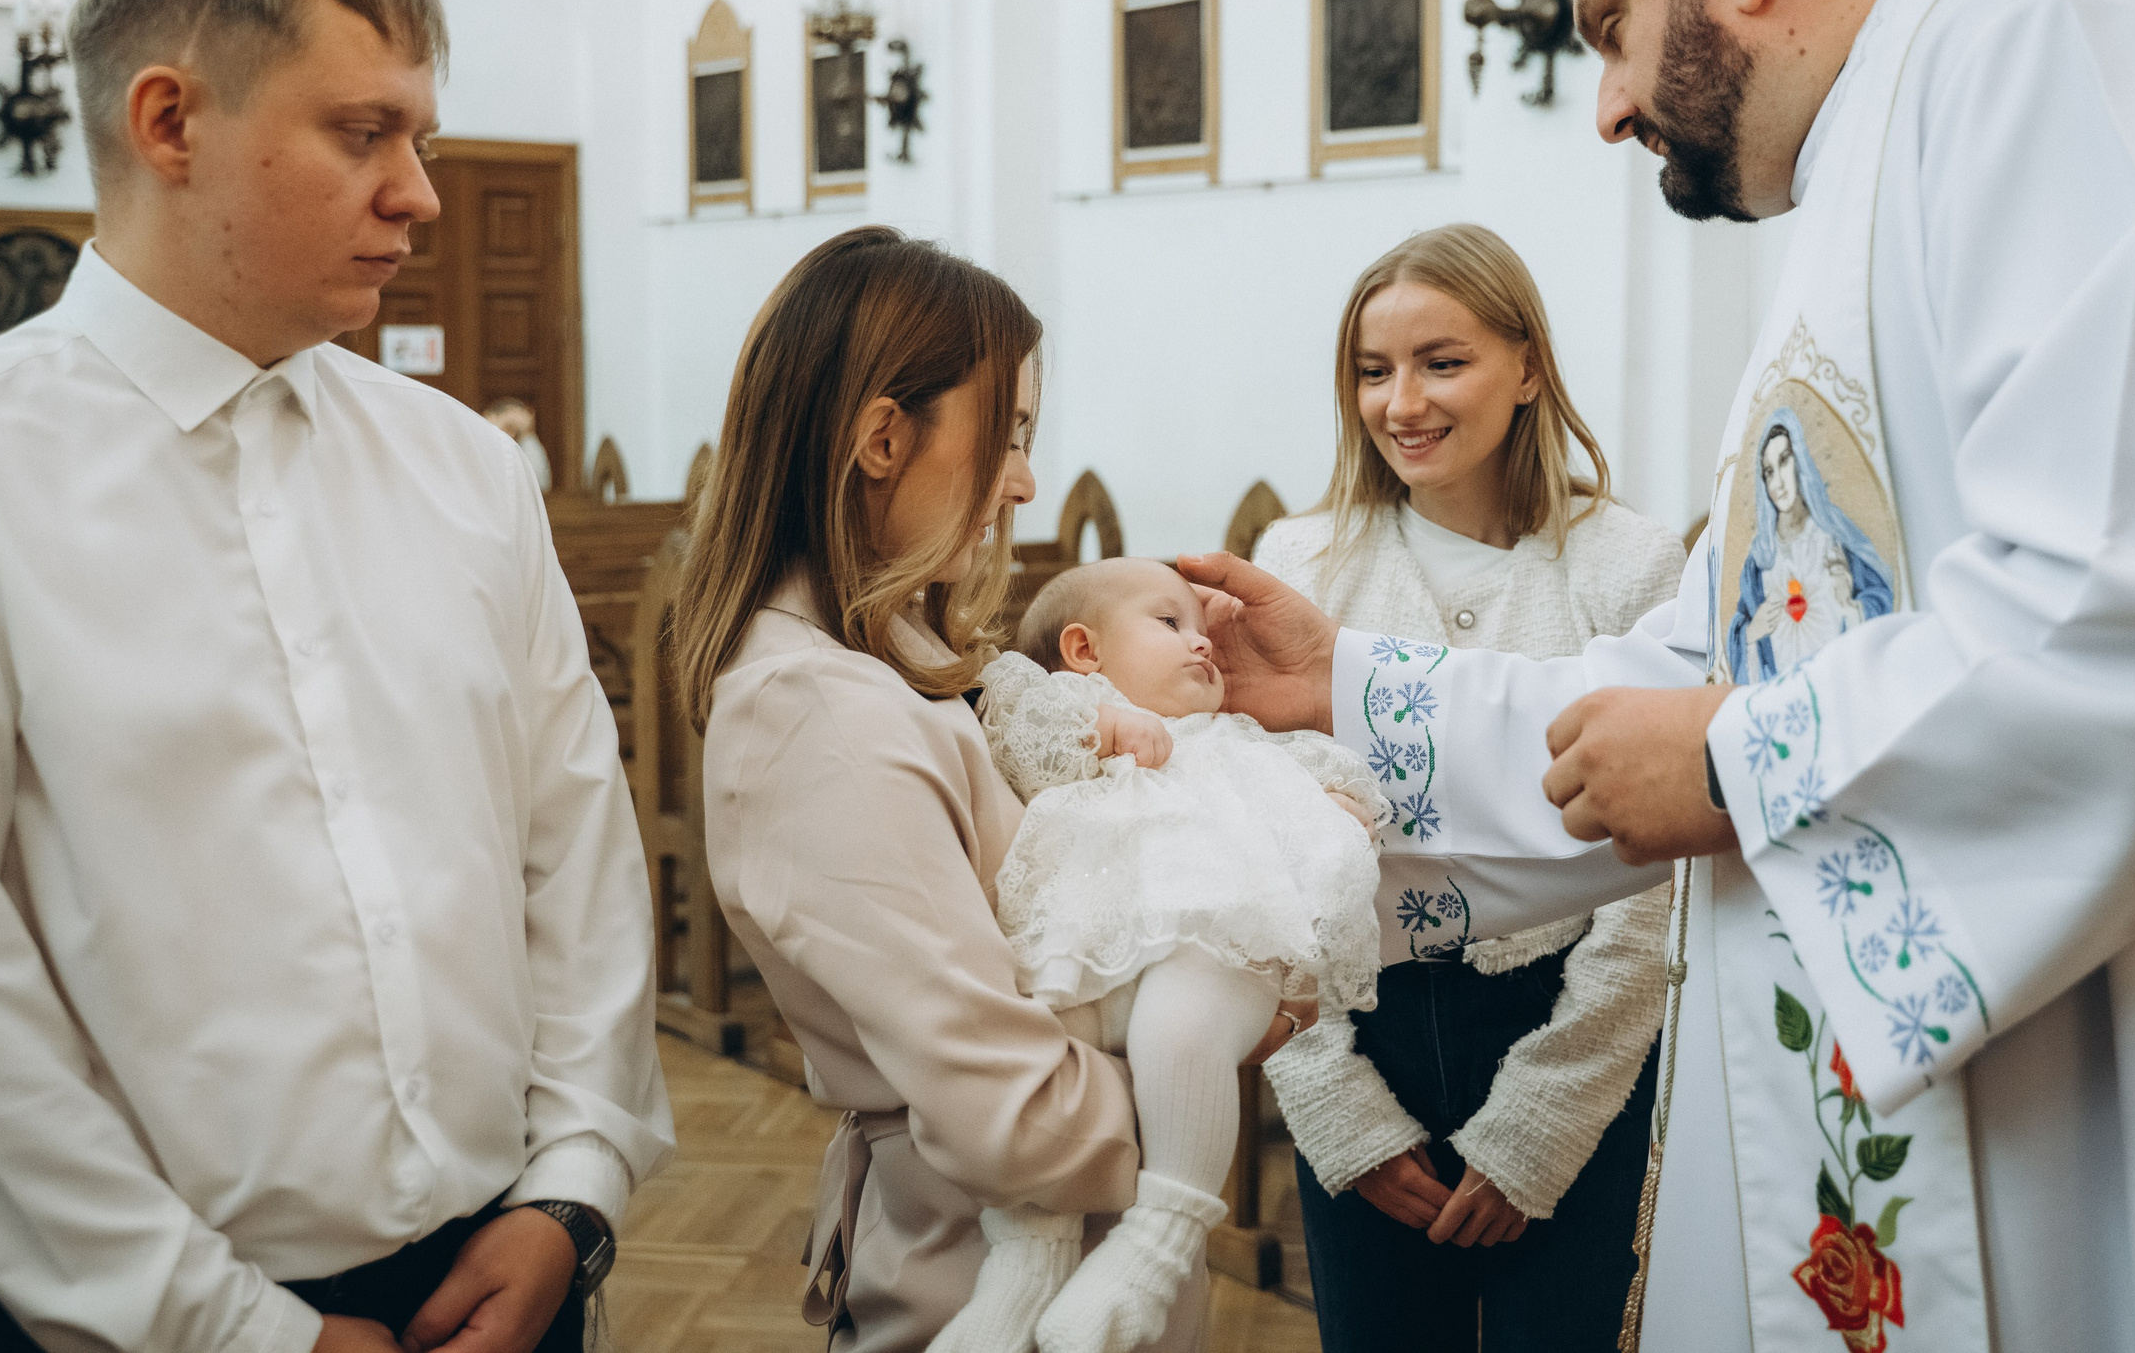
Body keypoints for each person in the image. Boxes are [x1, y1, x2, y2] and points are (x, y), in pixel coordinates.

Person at [1183, 0, 2135, 1353]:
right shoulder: (1862, 195)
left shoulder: (2047, 49)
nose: (1613, 102)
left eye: (1613, 26)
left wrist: (1745, 763)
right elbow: (1703, 675)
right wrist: (1349, 687)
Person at [0, 0, 672, 1353]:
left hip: (499, 1269)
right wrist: (225, 1326)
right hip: (104, 1314)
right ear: (170, 122)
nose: (421, 193)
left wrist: (571, 1183)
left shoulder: (465, 465)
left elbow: (573, 845)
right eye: (363, 133)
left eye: (419, 137)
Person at [680, 228, 1313, 1353]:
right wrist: (1201, 1043)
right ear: (883, 437)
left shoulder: (887, 661)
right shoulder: (814, 712)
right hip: (975, 1279)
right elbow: (1013, 1111)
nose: (1024, 476)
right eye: (1009, 432)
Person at [1250, 223, 1685, 1351]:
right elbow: (1256, 858)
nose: (1401, 401)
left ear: (1527, 367)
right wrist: (1335, 1104)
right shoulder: (1301, 565)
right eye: (1371, 369)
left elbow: (1652, 876)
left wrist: (1544, 1115)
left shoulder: (1625, 565)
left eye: (1442, 361)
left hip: (1568, 1029)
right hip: (1363, 1029)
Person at [937, 557, 1384, 1353]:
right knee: (1043, 1038)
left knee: (1182, 1033)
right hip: (1082, 939)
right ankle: (1028, 1255)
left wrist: (1346, 805)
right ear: (1082, 649)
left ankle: (1159, 1240)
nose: (1203, 643)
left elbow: (1328, 773)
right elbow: (1014, 736)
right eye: (1170, 623)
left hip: (1217, 936)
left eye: (1201, 629)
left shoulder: (1235, 736)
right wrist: (1097, 727)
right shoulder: (1061, 700)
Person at [1725, 412, 1892, 682]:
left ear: (1800, 460)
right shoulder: (1759, 562)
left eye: (1783, 462)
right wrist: (1752, 633)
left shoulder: (1835, 536)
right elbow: (1735, 642)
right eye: (1768, 472)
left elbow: (1883, 602)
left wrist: (1851, 607)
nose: (1777, 482)